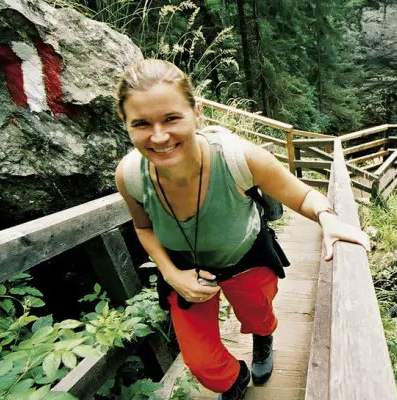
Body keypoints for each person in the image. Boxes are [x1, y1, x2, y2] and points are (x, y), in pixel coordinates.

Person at [113, 59, 370, 400]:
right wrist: (172, 274)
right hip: (185, 270)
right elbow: (142, 226)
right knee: (201, 362)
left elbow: (303, 194)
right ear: (126, 125)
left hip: (246, 257)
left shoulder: (240, 159)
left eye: (172, 118)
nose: (159, 136)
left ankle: (264, 340)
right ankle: (235, 379)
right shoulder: (130, 175)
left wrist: (329, 218)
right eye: (142, 123)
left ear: (196, 113)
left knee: (258, 316)